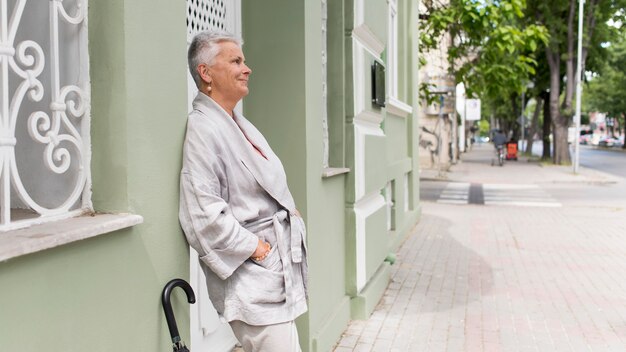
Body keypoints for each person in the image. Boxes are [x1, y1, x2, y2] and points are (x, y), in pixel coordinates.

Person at [179, 31, 308, 352]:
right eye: (235, 61)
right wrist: (258, 249)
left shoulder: (236, 122)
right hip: (251, 273)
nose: (247, 68)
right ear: (205, 73)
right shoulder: (203, 128)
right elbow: (202, 214)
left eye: (244, 60)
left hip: (272, 271)